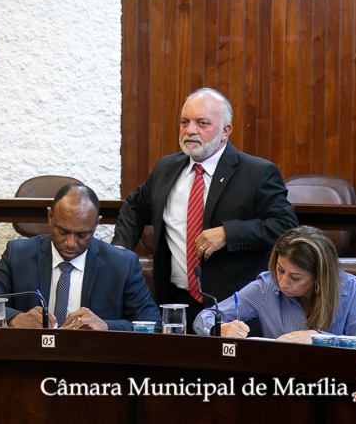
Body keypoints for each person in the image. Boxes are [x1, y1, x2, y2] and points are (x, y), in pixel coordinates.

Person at [112, 88, 298, 325]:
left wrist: (228, 234)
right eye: (184, 122)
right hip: (176, 302)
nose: (190, 130)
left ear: (225, 131)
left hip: (235, 307)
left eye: (202, 123)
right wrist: (120, 248)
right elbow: (135, 206)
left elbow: (285, 226)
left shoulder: (257, 173)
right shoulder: (165, 168)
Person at [0, 184, 161, 331]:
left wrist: (106, 326)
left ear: (96, 224)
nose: (70, 243)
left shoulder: (122, 264)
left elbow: (154, 324)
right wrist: (16, 319)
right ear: (50, 217)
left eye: (82, 234)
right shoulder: (18, 254)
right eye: (63, 231)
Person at [193, 226, 356, 342]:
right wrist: (218, 329)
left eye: (295, 277)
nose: (282, 282)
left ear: (319, 276)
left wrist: (320, 338)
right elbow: (203, 318)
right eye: (280, 269)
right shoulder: (266, 287)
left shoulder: (351, 288)